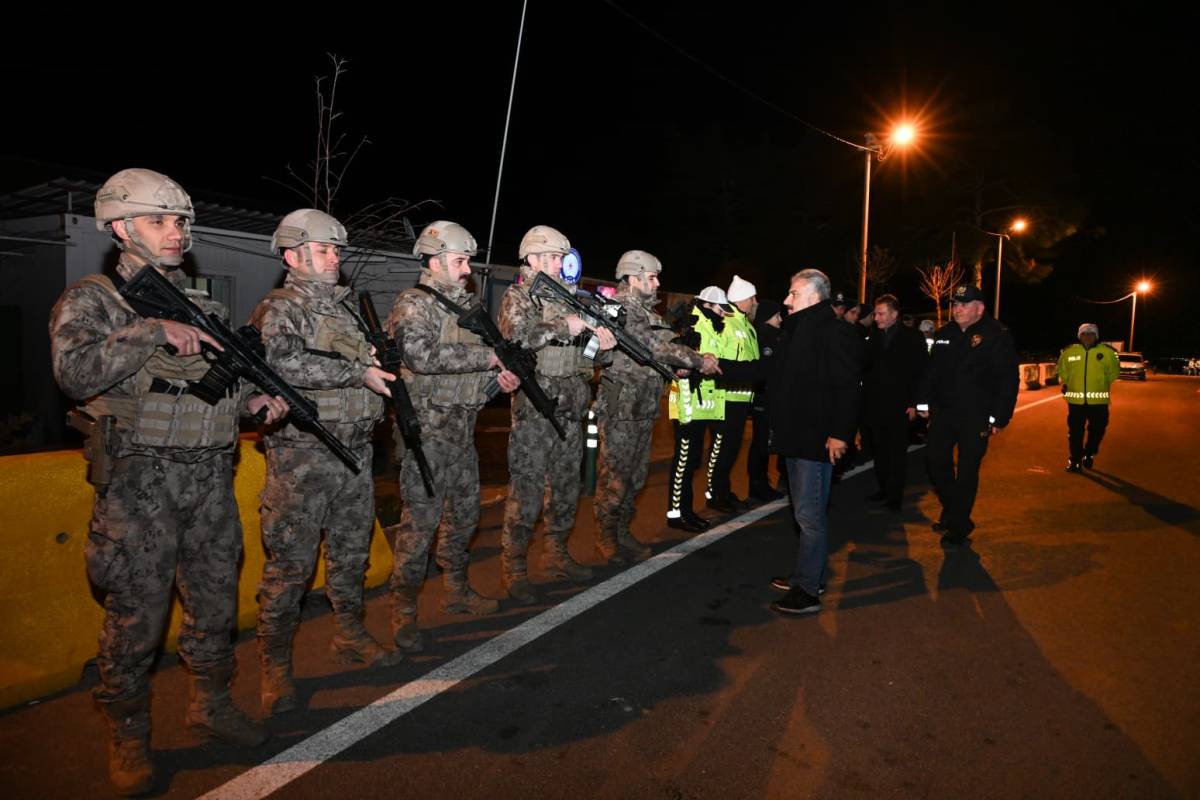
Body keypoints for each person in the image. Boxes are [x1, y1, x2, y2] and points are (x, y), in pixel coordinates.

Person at [49, 169, 287, 794]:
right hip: (139, 487)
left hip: (209, 482)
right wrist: (151, 331)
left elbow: (207, 391)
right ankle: (128, 734)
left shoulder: (202, 301)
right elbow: (74, 373)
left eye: (180, 220)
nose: (177, 231)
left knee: (212, 605)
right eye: (161, 220)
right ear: (123, 227)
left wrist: (252, 403)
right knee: (137, 617)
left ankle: (210, 705)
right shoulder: (94, 299)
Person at [251, 209, 401, 718]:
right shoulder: (280, 308)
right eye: (324, 249)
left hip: (355, 454)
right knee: (290, 570)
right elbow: (281, 362)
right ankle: (274, 668)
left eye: (337, 249)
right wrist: (359, 374)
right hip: (303, 460)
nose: (335, 257)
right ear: (293, 256)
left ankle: (350, 634)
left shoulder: (347, 310)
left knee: (351, 557)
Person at [386, 221, 521, 650]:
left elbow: (469, 379)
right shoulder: (414, 303)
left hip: (462, 433)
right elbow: (420, 357)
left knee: (463, 519)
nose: (467, 270)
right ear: (435, 259)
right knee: (419, 527)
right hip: (427, 435)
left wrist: (496, 383)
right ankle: (402, 613)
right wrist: (487, 358)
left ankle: (456, 592)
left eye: (466, 261)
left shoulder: (467, 308)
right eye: (461, 261)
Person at [717, 270, 863, 615]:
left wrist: (841, 433)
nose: (786, 300)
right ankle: (808, 574)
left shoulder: (834, 332)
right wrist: (714, 366)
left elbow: (848, 387)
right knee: (805, 513)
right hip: (796, 438)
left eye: (792, 294)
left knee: (809, 516)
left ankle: (808, 590)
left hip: (815, 440)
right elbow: (767, 373)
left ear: (814, 297)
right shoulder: (798, 331)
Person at [498, 225, 615, 604]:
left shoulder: (570, 299)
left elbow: (588, 357)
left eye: (558, 257)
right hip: (535, 411)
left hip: (571, 409)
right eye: (548, 257)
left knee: (566, 488)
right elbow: (516, 339)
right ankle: (514, 568)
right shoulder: (520, 296)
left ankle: (556, 554)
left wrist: (602, 345)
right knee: (527, 491)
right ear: (531, 259)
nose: (555, 263)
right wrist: (564, 325)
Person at [593, 250, 717, 563]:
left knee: (635, 477)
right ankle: (605, 538)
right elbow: (650, 346)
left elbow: (654, 356)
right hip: (621, 408)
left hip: (644, 405)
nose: (657, 282)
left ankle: (622, 531)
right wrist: (697, 360)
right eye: (651, 277)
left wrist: (676, 369)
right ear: (633, 279)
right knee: (615, 477)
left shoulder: (649, 314)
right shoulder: (617, 308)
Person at [915, 284, 1019, 545]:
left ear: (979, 308)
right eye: (955, 304)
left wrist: (999, 416)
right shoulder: (944, 334)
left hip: (976, 416)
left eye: (963, 304)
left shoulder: (996, 334)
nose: (957, 309)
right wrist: (922, 401)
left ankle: (958, 526)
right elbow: (930, 371)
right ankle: (955, 511)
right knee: (935, 461)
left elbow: (1008, 379)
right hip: (945, 413)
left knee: (967, 470)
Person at [665, 287, 729, 531]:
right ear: (708, 305)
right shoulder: (689, 323)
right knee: (684, 459)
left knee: (692, 461)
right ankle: (676, 513)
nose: (723, 315)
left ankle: (686, 510)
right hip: (687, 400)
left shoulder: (712, 326)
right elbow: (678, 357)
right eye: (720, 309)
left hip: (703, 402)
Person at [862, 294, 927, 511]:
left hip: (900, 406)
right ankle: (883, 489)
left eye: (881, 313)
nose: (876, 317)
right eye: (875, 313)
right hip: (875, 406)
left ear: (894, 314)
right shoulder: (874, 337)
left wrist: (915, 404)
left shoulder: (913, 337)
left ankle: (894, 498)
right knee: (879, 451)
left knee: (896, 453)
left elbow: (921, 373)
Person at [727, 275, 784, 502]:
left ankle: (761, 483)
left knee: (764, 443)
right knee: (760, 444)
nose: (780, 319)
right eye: (777, 315)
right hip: (763, 397)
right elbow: (767, 370)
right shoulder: (765, 337)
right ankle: (757, 485)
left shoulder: (768, 335)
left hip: (764, 396)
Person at [705, 282, 760, 512]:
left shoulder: (747, 325)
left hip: (741, 398)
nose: (755, 302)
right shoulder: (726, 322)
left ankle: (723, 491)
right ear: (741, 299)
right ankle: (716, 495)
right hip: (726, 397)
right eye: (752, 298)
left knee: (731, 450)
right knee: (722, 450)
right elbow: (715, 358)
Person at [1056, 322, 1119, 472]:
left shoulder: (1108, 353)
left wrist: (1099, 383)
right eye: (1084, 333)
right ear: (1079, 336)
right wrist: (1070, 383)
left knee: (1098, 430)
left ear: (1096, 336)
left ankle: (1089, 453)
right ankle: (1075, 460)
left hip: (1098, 402)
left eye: (1091, 333)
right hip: (1075, 402)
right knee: (1075, 432)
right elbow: (1062, 370)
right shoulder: (1069, 352)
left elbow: (1113, 373)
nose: (1087, 336)